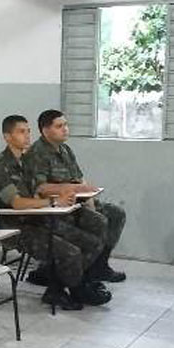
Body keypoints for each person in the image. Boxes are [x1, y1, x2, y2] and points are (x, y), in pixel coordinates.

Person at [0, 115, 111, 310]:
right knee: (70, 251)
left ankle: (60, 286)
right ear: (7, 137)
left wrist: (64, 198)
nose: (27, 136)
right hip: (18, 227)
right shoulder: (0, 164)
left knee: (92, 242)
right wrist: (53, 201)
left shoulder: (26, 162)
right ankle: (75, 288)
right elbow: (17, 203)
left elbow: (39, 190)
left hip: (40, 219)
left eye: (28, 131)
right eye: (21, 132)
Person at [24, 109, 127, 283]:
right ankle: (75, 275)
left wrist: (89, 197)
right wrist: (73, 188)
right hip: (56, 208)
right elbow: (41, 188)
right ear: (45, 130)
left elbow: (79, 178)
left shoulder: (65, 150)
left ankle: (100, 265)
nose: (65, 129)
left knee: (116, 213)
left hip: (77, 202)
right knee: (97, 222)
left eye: (66, 125)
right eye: (59, 126)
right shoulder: (37, 153)